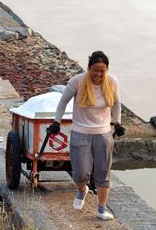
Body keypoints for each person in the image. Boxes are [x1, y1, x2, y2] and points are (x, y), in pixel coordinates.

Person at [49, 50, 125, 220]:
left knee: (102, 172)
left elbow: (117, 103)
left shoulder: (112, 81)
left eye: (102, 71)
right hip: (80, 132)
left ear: (106, 70)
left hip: (103, 133)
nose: (98, 74)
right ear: (89, 68)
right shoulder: (77, 81)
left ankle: (101, 208)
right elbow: (63, 102)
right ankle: (82, 190)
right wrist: (56, 121)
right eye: (95, 70)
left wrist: (118, 123)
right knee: (80, 173)